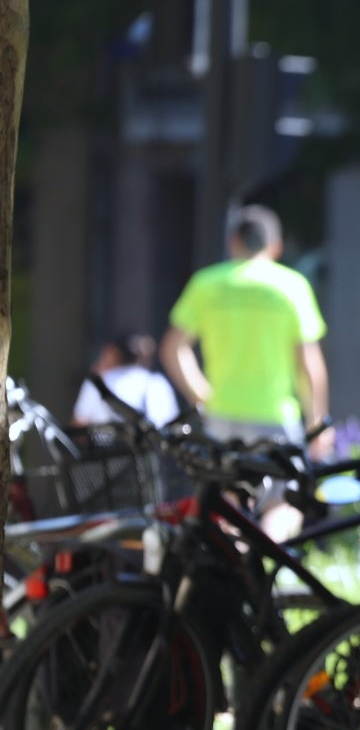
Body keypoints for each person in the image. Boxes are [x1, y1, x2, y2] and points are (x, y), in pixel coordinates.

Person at [160, 204, 334, 540]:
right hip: (274, 416)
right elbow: (309, 364)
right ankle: (259, 555)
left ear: (233, 242)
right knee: (285, 502)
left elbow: (173, 348)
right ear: (276, 246)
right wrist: (317, 422)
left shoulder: (208, 283)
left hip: (221, 415)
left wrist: (200, 394)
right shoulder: (291, 285)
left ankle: (235, 568)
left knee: (225, 502)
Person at [71, 332, 180, 427]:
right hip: (151, 449)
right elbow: (171, 424)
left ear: (114, 354)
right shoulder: (159, 383)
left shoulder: (99, 382)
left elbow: (79, 424)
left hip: (105, 449)